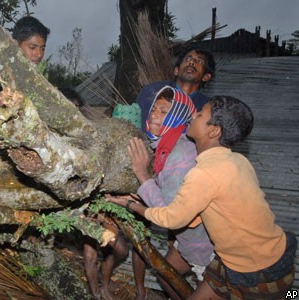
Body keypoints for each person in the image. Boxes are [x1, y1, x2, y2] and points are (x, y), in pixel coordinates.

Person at [107, 95, 297, 299]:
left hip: (255, 270)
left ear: (214, 131)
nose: (192, 115)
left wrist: (131, 203)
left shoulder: (203, 172)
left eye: (199, 114)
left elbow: (171, 218)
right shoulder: (238, 160)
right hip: (269, 253)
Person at [131, 85, 214, 300]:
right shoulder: (171, 144)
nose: (155, 116)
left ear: (179, 116)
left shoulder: (178, 157)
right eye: (154, 110)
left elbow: (169, 214)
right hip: (190, 237)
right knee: (166, 275)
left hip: (206, 243)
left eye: (164, 111)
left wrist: (142, 175)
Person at [0, 16, 50, 109]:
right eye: (32, 47)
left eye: (42, 48)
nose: (39, 54)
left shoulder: (32, 77)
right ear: (15, 44)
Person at [137, 46, 215, 131]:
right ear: (176, 70)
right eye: (188, 59)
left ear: (206, 77)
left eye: (200, 61)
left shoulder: (207, 107)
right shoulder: (153, 90)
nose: (192, 62)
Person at [83, 219, 128, 300]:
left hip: (109, 213)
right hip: (89, 213)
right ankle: (96, 293)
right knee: (90, 256)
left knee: (121, 251)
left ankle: (104, 285)